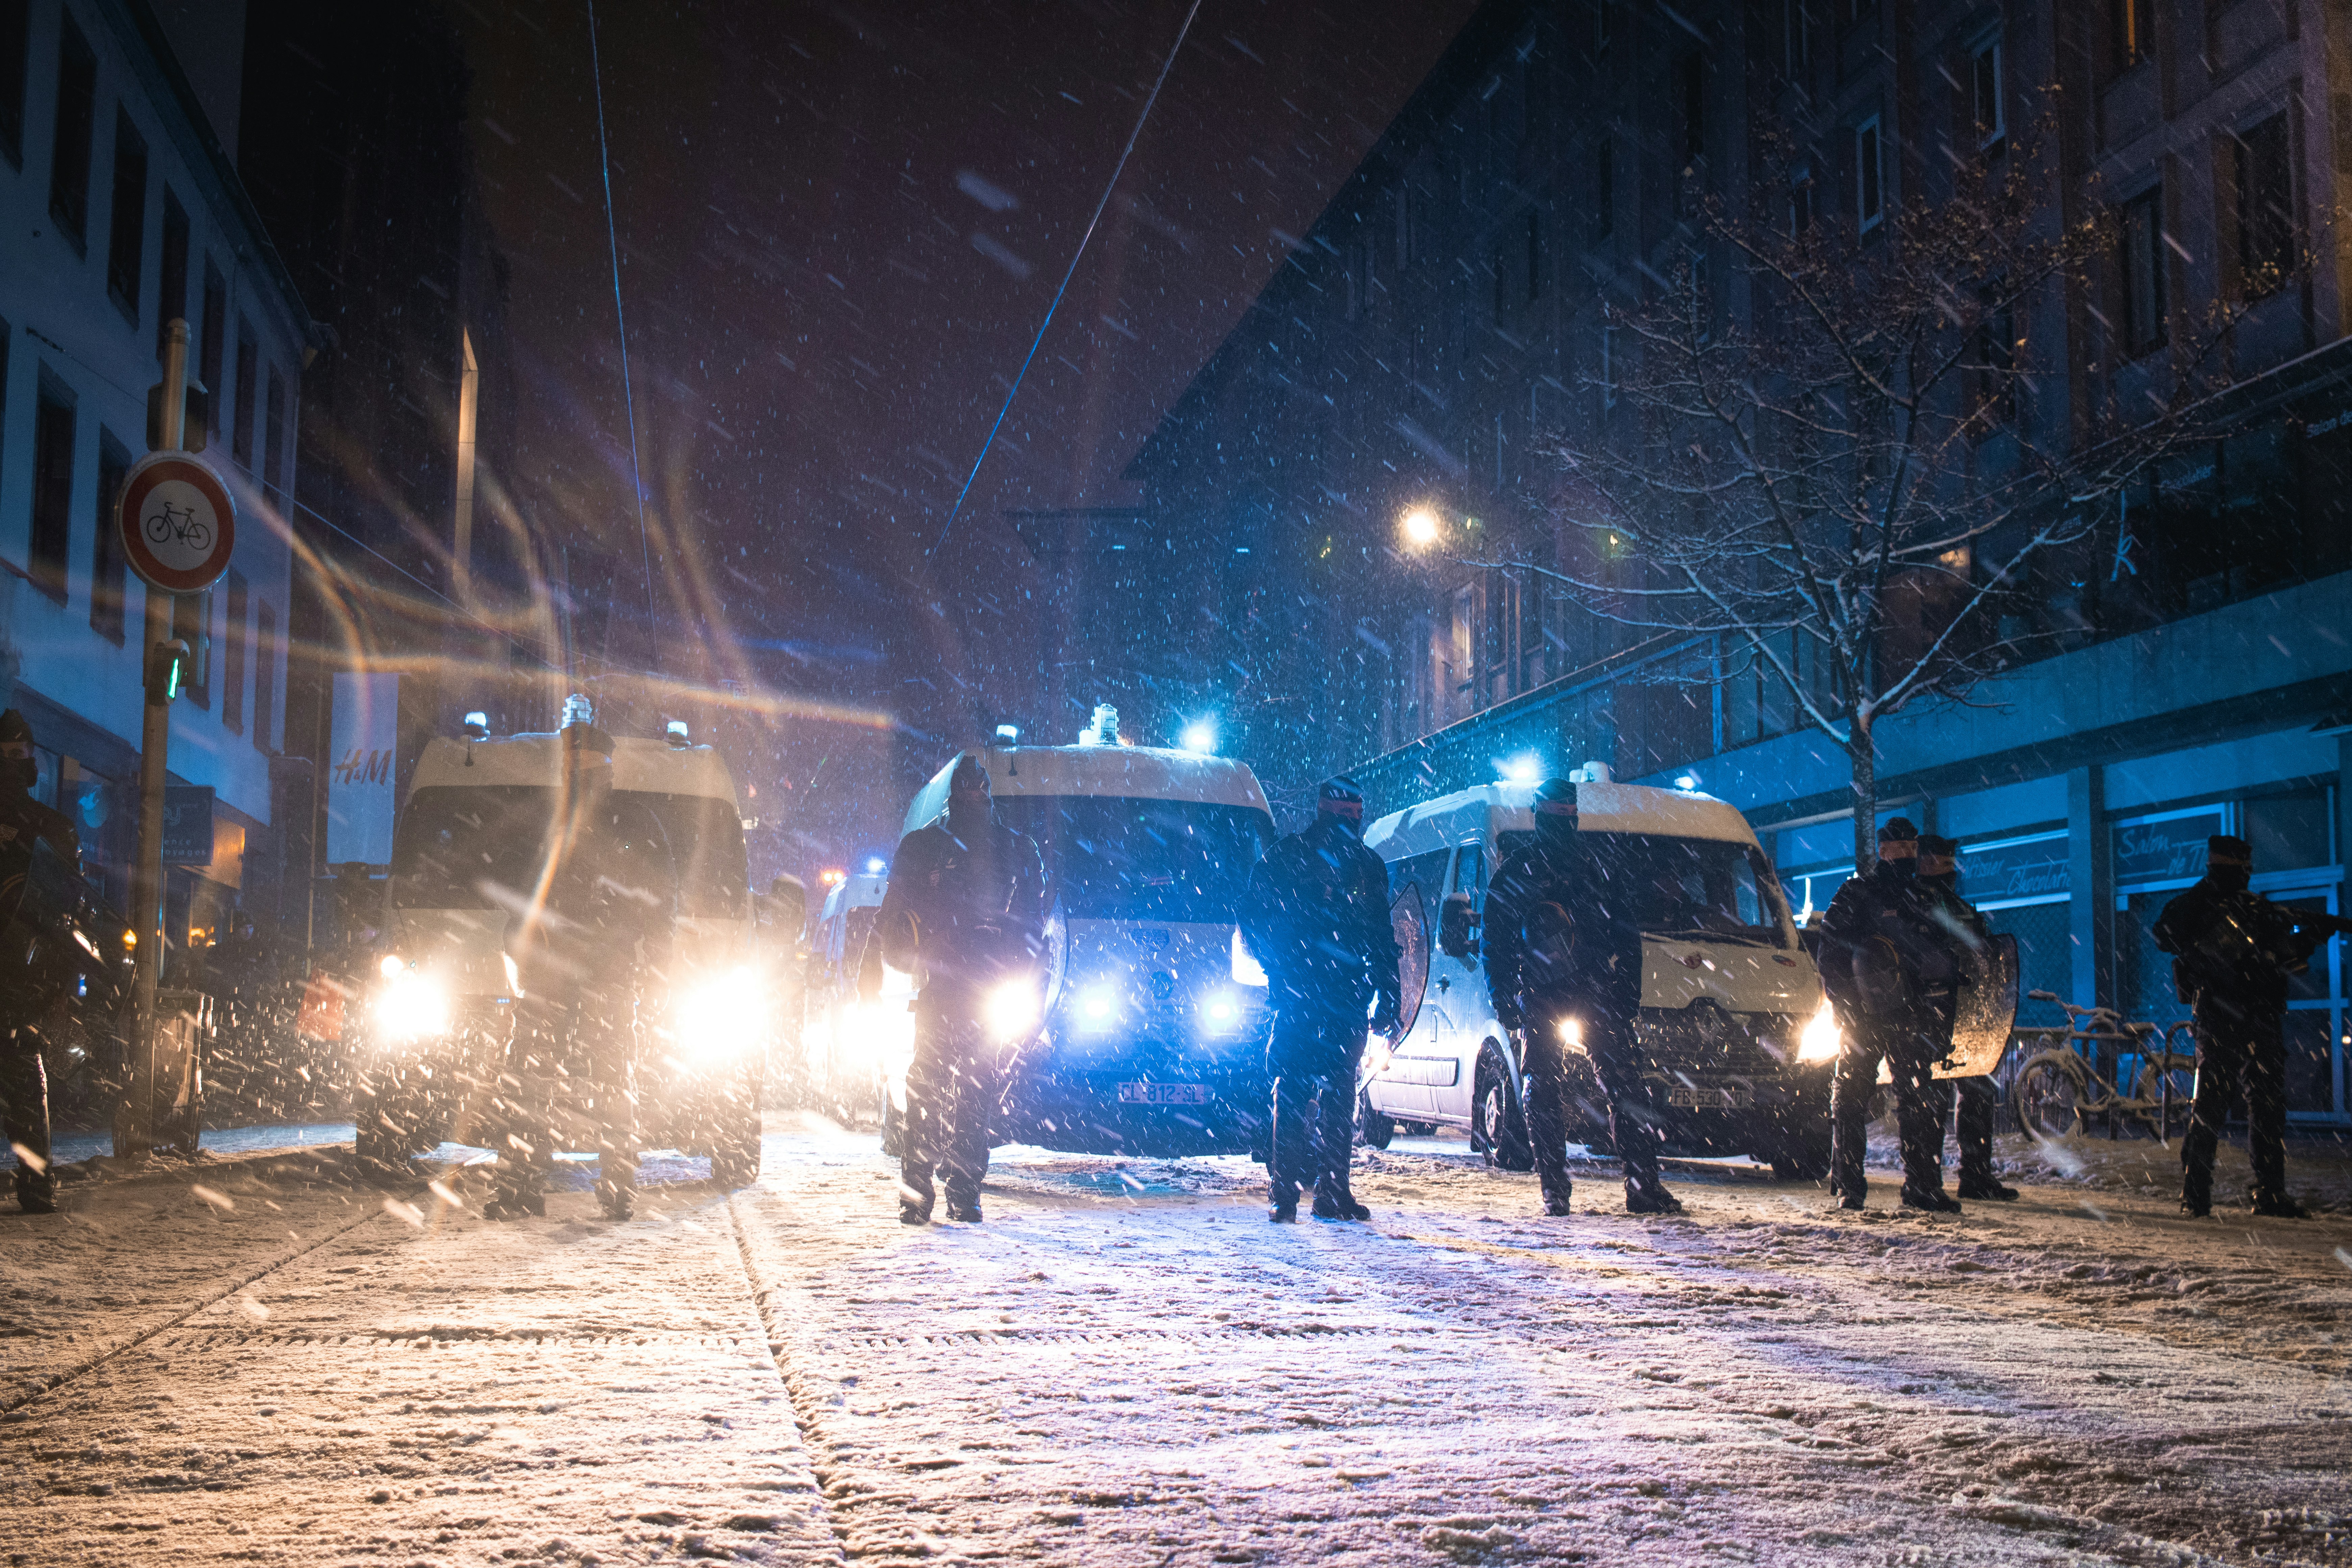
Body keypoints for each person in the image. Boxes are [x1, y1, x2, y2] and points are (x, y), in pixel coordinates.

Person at [491, 718, 675, 1221]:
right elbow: (661, 905)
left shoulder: (560, 821)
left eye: (583, 767)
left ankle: (531, 1184)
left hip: (575, 974)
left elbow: (517, 892)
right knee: (598, 1081)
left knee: (542, 1079)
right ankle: (604, 1186)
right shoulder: (621, 823)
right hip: (583, 975)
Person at [1488, 778, 1683, 1216]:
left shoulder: (1522, 870)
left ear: (1538, 814)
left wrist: (1503, 994)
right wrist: (1626, 994)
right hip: (1589, 994)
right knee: (1622, 1086)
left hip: (1550, 994)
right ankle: (1640, 1186)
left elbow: (1496, 941)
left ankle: (1557, 1190)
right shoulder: (1595, 866)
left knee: (1546, 1089)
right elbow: (1628, 938)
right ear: (1574, 816)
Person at [873, 755, 1047, 1224]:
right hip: (949, 987)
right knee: (948, 1091)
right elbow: (895, 917)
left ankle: (947, 1191)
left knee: (963, 1094)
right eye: (967, 790)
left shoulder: (1009, 850)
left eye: (977, 789)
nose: (972, 797)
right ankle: (933, 1191)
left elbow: (1034, 926)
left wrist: (1024, 973)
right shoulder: (940, 847)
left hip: (975, 989)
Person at [1241, 777, 1400, 1223]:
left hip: (1307, 997)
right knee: (1334, 1099)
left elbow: (1251, 916)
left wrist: (1278, 966)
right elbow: (1383, 941)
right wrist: (1388, 998)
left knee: (1294, 1095)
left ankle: (1288, 1194)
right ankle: (1327, 1192)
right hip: (1338, 997)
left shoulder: (1289, 857)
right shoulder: (1364, 865)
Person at [2154, 835, 2334, 1219]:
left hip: (2258, 1016)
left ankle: (2268, 1192)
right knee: (2213, 1106)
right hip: (2222, 1017)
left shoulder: (2254, 909)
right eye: (2239, 868)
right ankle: (2197, 1193)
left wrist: (2308, 939)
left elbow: (2281, 958)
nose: (2245, 876)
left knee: (2266, 1104)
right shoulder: (2197, 905)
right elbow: (2167, 933)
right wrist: (2215, 937)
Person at [1816, 818, 1962, 1213]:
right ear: (1883, 851)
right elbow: (1830, 950)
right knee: (1852, 1098)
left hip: (1911, 1012)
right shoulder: (1859, 893)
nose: (1907, 856)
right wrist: (1845, 1003)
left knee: (1921, 1101)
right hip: (1865, 1014)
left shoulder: (1925, 896)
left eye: (1912, 849)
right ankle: (1849, 1184)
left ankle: (1923, 1185)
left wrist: (1939, 1010)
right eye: (1899, 850)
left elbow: (1944, 956)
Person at [0, 710, 77, 1213]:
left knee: (25, 1073)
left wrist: (55, 988)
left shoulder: (50, 828)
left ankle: (34, 1181)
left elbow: (66, 912)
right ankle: (35, 1181)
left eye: (17, 754)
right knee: (25, 1076)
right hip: (19, 971)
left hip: (19, 973)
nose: (11, 763)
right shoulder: (50, 827)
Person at [1916, 835, 2017, 1202]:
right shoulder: (1922, 901)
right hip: (1935, 1013)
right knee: (1936, 1096)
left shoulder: (1953, 903)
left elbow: (1981, 952)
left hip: (1968, 1013)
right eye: (1944, 861)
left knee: (1975, 1092)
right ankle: (1931, 1179)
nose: (1949, 869)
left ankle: (1974, 1175)